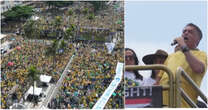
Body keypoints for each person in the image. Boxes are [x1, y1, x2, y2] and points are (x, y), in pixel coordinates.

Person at [158, 23, 207, 107]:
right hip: (162, 103)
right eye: (184, 31)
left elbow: (198, 68)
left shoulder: (201, 54)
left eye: (190, 32)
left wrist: (184, 46)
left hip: (182, 104)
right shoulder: (171, 56)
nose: (186, 33)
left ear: (197, 39)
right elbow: (159, 79)